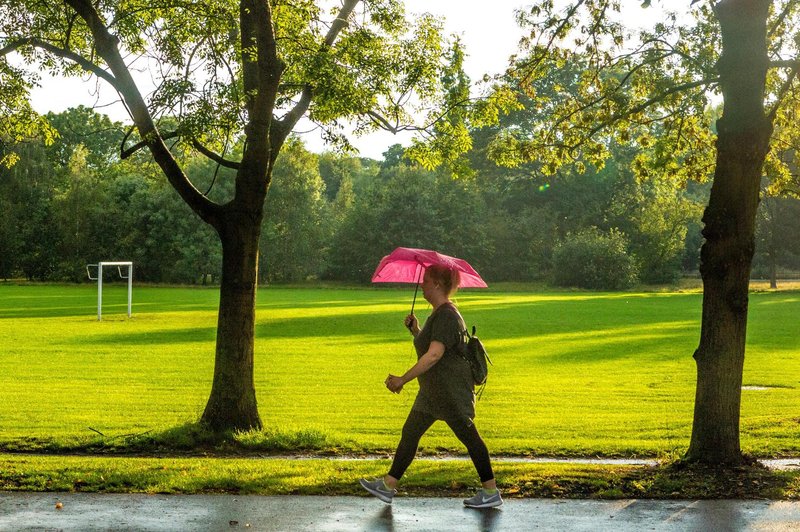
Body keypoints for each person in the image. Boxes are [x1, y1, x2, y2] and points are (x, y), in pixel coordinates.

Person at [359, 264, 502, 508]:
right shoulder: (440, 313)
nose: (421, 284)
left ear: (437, 284)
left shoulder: (447, 314)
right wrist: (416, 331)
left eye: (425, 280)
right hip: (434, 391)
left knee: (469, 437)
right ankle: (388, 486)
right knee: (411, 432)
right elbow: (435, 347)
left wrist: (402, 379)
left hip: (449, 392)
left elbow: (434, 355)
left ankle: (490, 493)